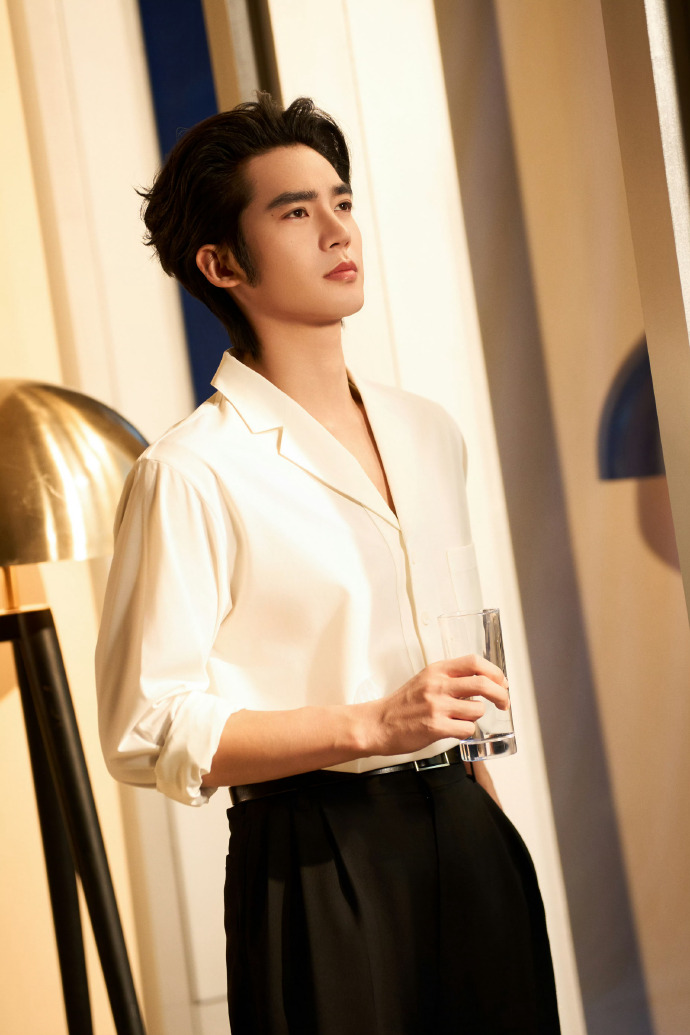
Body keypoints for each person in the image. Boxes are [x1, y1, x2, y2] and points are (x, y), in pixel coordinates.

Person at [96, 94, 560, 1034]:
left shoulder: (428, 431)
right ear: (222, 264)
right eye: (296, 211)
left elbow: (450, 656)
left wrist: (482, 811)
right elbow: (145, 725)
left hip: (467, 827)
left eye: (341, 202)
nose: (338, 229)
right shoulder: (190, 471)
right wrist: (371, 722)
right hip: (312, 858)